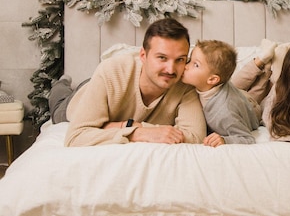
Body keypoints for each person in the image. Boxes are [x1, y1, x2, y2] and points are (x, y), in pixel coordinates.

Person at [55, 17, 207, 146]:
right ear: (143, 55)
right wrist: (138, 132)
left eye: (180, 59)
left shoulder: (185, 83)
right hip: (78, 99)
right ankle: (61, 83)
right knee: (58, 98)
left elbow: (195, 137)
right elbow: (75, 137)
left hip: (107, 94)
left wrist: (123, 126)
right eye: (162, 58)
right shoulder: (111, 71)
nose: (171, 69)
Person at [183, 39, 260, 146]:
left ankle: (263, 65)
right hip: (235, 92)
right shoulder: (206, 84)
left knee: (257, 92)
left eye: (195, 64)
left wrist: (225, 140)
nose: (185, 66)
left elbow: (247, 138)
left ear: (212, 79)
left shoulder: (225, 113)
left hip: (251, 106)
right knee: (238, 83)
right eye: (190, 60)